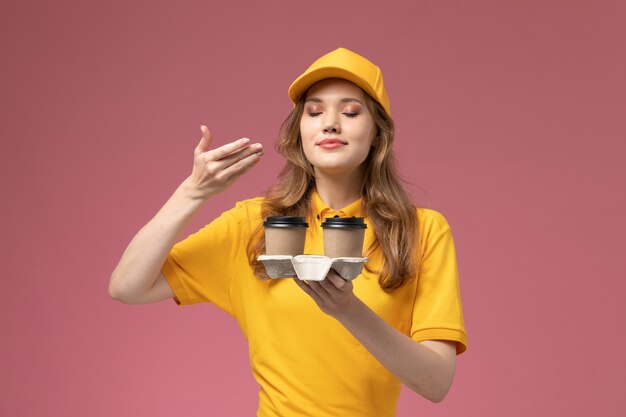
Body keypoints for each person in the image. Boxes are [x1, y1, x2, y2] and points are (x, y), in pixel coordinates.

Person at [109, 47, 467, 417]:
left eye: (350, 112)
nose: (330, 123)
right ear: (300, 131)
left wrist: (346, 309)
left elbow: (436, 382)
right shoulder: (252, 225)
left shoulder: (422, 231)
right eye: (314, 112)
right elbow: (127, 286)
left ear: (378, 133)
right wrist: (192, 192)